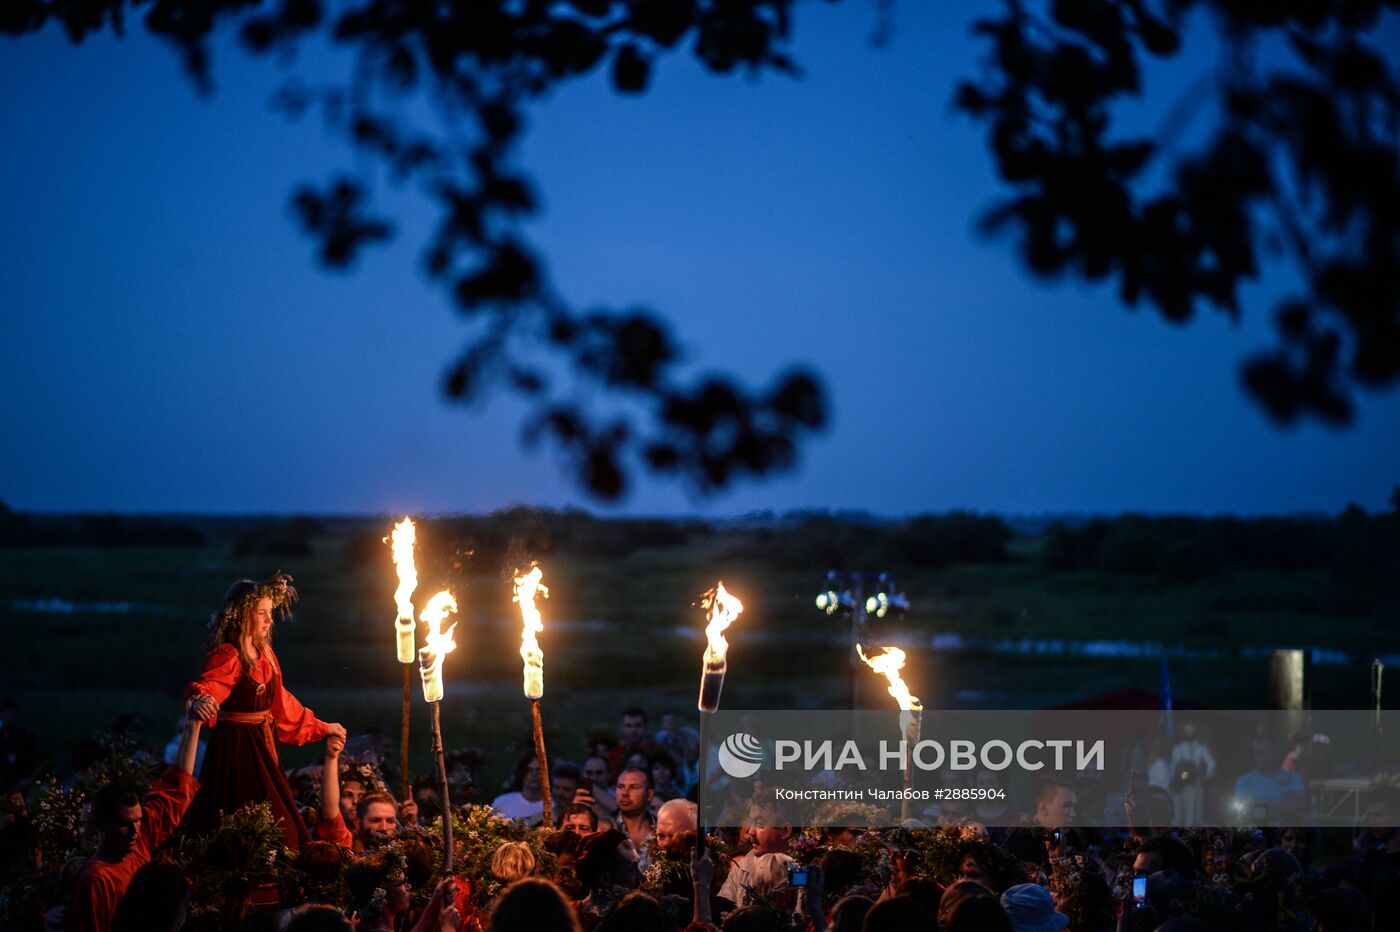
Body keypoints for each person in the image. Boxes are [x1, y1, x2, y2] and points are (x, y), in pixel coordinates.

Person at [184, 574, 347, 849]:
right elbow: (211, 685)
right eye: (262, 613)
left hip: (263, 746)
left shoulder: (266, 655)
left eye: (270, 613)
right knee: (247, 826)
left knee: (283, 829)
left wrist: (321, 727)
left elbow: (281, 703)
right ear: (243, 615)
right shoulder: (229, 654)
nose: (269, 620)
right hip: (237, 751)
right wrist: (201, 700)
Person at [67, 704, 202, 932]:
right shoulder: (95, 881)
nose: (135, 830)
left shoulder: (137, 842)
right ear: (101, 824)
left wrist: (193, 724)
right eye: (123, 824)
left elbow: (175, 790)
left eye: (138, 820)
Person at [1234, 733, 1308, 823]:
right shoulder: (1244, 781)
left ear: (1275, 752)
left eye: (1264, 753)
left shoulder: (1294, 778)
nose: (1259, 757)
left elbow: (1298, 805)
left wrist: (1261, 804)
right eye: (1256, 753)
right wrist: (1285, 808)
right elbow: (1249, 812)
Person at [1168, 722, 1216, 826]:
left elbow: (1172, 769)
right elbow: (1212, 764)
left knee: (1179, 815)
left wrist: (1172, 782)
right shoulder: (1200, 747)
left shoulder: (1178, 748)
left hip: (1181, 784)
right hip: (1192, 784)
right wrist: (1205, 776)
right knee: (1191, 816)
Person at [491, 752, 546, 823]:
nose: (534, 774)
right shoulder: (501, 803)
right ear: (521, 772)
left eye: (538, 770)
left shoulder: (553, 806)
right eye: (529, 769)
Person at [611, 768, 654, 853]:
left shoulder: (662, 829)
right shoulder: (604, 828)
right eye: (620, 787)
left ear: (649, 795)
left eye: (634, 787)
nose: (625, 793)